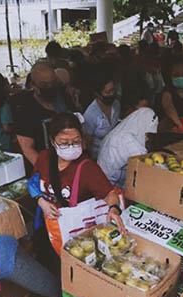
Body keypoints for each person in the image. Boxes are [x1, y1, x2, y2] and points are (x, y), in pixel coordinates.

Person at [30, 113, 125, 252]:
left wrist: (114, 209)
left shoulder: (88, 168)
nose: (70, 146)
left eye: (76, 141)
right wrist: (41, 201)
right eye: (64, 143)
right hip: (48, 227)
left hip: (74, 235)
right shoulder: (44, 158)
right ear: (52, 141)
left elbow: (110, 193)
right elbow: (34, 183)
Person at [14, 62, 70, 165]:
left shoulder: (64, 98)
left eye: (53, 83)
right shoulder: (25, 110)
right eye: (44, 85)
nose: (50, 87)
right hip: (45, 166)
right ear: (33, 85)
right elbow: (27, 149)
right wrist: (47, 172)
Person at [98, 107, 158, 188]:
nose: (147, 138)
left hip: (106, 172)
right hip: (109, 181)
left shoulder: (122, 130)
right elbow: (144, 161)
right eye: (147, 133)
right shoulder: (128, 140)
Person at [83, 75, 121, 160]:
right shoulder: (90, 114)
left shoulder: (116, 105)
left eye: (113, 90)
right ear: (98, 94)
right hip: (98, 155)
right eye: (108, 92)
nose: (112, 94)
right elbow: (88, 142)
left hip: (114, 151)